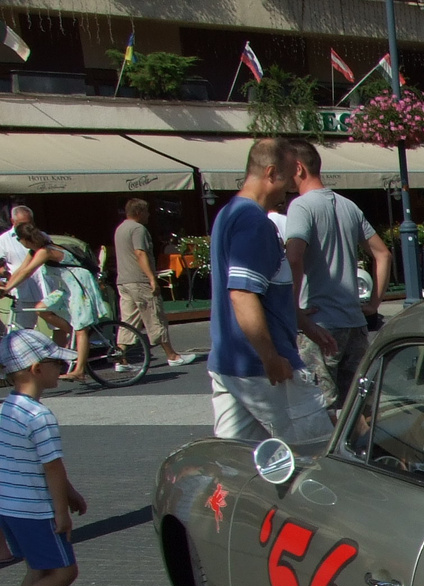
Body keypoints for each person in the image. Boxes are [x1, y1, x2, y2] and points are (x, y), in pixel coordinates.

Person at [207, 136, 333, 443]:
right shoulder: (254, 223)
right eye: (288, 178)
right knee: (315, 452)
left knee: (238, 460)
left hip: (228, 362)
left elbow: (265, 289)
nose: (291, 188)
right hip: (260, 369)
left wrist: (305, 325)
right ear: (271, 173)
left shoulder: (228, 214)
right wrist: (270, 357)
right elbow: (242, 293)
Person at [282, 140, 392, 413]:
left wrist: (293, 308)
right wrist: (374, 302)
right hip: (353, 323)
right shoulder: (347, 206)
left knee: (321, 407)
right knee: (358, 408)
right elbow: (383, 254)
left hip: (319, 323)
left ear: (299, 168)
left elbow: (294, 256)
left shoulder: (301, 206)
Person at [0, 328, 85, 586]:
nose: (60, 369)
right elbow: (51, 468)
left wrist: (71, 493)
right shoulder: (40, 417)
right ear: (36, 369)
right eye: (54, 364)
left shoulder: (7, 409)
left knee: (38, 571)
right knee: (64, 571)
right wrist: (62, 509)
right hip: (37, 510)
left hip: (10, 507)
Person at [4, 224, 112, 385]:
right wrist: (6, 288)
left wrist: (8, 288)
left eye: (20, 240)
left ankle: (80, 371)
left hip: (80, 285)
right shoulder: (34, 250)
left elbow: (28, 272)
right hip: (66, 287)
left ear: (25, 240)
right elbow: (20, 270)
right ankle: (72, 333)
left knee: (81, 329)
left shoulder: (45, 251)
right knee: (41, 309)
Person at [113, 199, 197, 369]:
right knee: (155, 317)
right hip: (139, 280)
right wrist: (152, 278)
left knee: (129, 320)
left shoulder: (120, 228)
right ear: (139, 213)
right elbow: (140, 253)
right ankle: (172, 355)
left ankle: (120, 358)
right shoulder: (138, 229)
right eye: (146, 212)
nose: (149, 215)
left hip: (124, 280)